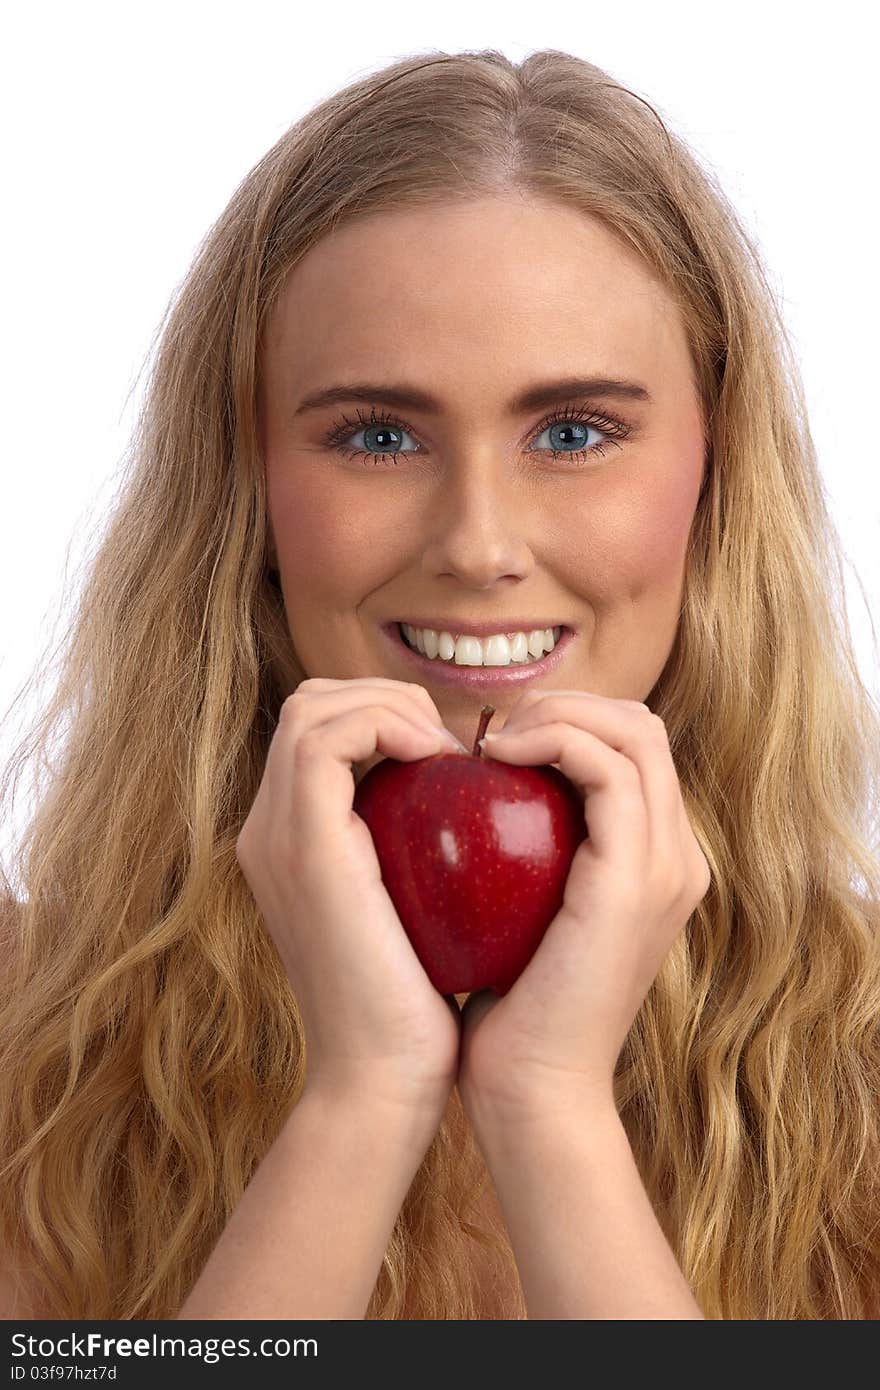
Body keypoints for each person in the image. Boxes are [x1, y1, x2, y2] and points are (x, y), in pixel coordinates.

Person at [1, 47, 879, 1323]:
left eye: (572, 432)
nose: (477, 544)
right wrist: (362, 1099)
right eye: (377, 435)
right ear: (247, 486)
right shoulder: (26, 1034)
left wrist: (546, 1109)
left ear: (716, 469)